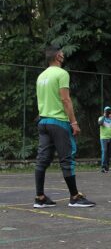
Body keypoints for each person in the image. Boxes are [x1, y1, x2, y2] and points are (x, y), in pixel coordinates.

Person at [34, 45, 95, 208]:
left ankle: (39, 198)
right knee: (67, 159)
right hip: (58, 122)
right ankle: (74, 197)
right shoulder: (62, 74)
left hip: (43, 122)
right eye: (61, 53)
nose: (63, 54)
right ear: (57, 57)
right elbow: (66, 100)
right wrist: (74, 122)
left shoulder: (41, 76)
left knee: (42, 161)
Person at [98, 106, 111, 173]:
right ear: (104, 111)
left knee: (109, 153)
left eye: (109, 111)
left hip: (110, 137)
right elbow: (100, 123)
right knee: (104, 151)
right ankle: (103, 167)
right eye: (107, 111)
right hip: (103, 138)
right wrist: (104, 116)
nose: (108, 112)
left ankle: (107, 167)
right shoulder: (101, 118)